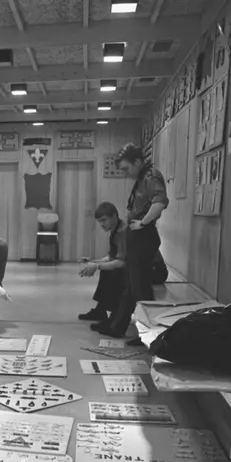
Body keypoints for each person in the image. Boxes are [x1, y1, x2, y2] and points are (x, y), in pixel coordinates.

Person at [96, 144, 169, 338]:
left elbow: (160, 202)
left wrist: (143, 222)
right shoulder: (141, 179)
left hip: (143, 237)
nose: (125, 173)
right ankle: (117, 326)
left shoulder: (151, 177)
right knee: (131, 287)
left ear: (137, 162)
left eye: (126, 168)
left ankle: (150, 333)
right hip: (136, 238)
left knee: (141, 290)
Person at [78, 202, 127, 323]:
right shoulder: (115, 230)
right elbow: (111, 257)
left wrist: (97, 266)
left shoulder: (123, 232)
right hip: (134, 266)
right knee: (106, 270)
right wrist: (92, 262)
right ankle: (101, 310)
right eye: (99, 221)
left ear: (114, 216)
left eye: (104, 220)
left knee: (112, 272)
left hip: (153, 271)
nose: (101, 224)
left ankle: (114, 316)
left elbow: (122, 263)